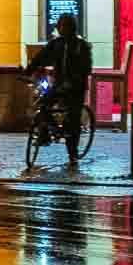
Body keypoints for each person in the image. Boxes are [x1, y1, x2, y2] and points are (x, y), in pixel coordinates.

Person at [26, 13, 93, 165]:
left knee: (73, 120)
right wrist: (28, 70)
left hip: (76, 88)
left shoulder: (81, 46)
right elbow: (41, 57)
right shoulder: (56, 44)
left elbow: (86, 68)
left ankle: (73, 154)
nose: (61, 29)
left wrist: (73, 80)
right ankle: (46, 134)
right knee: (43, 104)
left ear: (71, 28)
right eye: (60, 26)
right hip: (59, 85)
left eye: (64, 26)